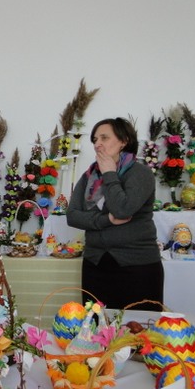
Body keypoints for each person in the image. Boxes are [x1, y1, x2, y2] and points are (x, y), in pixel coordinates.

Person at [66, 117, 163, 310]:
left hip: (137, 267)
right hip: (95, 265)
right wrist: (106, 220)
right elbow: (72, 216)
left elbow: (123, 209)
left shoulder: (140, 173)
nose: (97, 144)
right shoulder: (90, 176)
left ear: (124, 141)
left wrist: (109, 173)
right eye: (95, 140)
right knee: (96, 325)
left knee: (138, 326)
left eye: (104, 138)